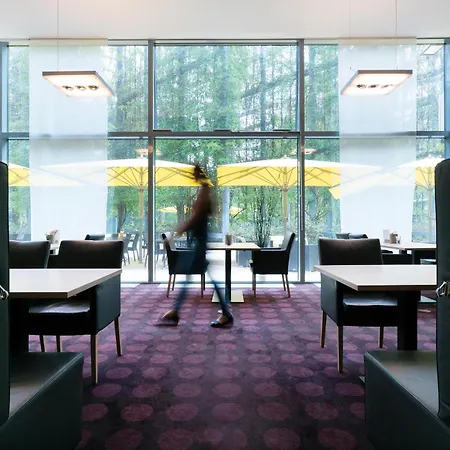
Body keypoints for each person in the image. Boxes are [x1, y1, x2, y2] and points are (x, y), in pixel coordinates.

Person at [159, 163, 233, 328]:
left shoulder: (204, 191)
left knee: (188, 277)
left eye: (194, 173)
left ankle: (177, 311)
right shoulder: (205, 190)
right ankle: (224, 312)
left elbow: (196, 218)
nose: (192, 176)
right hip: (200, 241)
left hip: (200, 242)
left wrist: (176, 232)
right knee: (194, 277)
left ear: (199, 174)